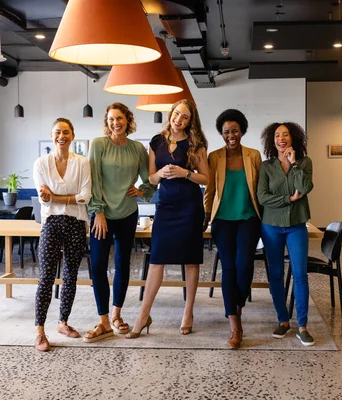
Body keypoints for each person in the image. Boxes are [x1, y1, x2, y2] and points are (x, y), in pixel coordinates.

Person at [126, 99, 209, 339]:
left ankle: (188, 312)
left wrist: (186, 173)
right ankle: (143, 315)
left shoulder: (196, 144)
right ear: (170, 114)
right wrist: (160, 174)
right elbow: (151, 179)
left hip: (190, 206)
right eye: (176, 114)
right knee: (157, 260)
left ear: (190, 121)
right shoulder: (156, 141)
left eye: (184, 116)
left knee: (191, 260)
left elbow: (206, 179)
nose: (178, 119)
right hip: (166, 206)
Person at [84, 102, 156, 342]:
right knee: (97, 265)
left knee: (123, 263)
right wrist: (99, 212)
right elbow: (93, 180)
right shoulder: (98, 145)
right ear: (107, 122)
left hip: (127, 213)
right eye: (112, 119)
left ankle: (116, 314)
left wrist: (142, 191)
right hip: (102, 215)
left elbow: (150, 179)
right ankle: (103, 320)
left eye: (120, 118)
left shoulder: (137, 149)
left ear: (128, 120)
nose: (116, 122)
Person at [203, 109, 262, 349]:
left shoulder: (253, 155)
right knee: (228, 268)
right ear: (221, 133)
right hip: (223, 220)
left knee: (244, 265)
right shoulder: (214, 157)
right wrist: (206, 216)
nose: (231, 135)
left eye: (235, 131)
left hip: (249, 218)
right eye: (226, 131)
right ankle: (234, 322)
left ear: (242, 131)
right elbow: (209, 189)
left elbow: (260, 188)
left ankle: (237, 305)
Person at [33, 117, 91, 352]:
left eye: (66, 132)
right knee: (46, 276)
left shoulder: (82, 163)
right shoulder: (41, 163)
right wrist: (67, 198)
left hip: (77, 223)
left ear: (72, 136)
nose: (62, 136)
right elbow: (42, 196)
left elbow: (85, 195)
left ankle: (63, 323)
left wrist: (55, 197)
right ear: (51, 135)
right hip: (51, 223)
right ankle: (39, 331)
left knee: (70, 275)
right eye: (58, 132)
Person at [257, 122, 315, 346]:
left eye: (286, 134)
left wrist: (293, 164)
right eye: (277, 135)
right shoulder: (266, 166)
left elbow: (306, 187)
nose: (281, 138)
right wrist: (288, 199)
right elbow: (262, 197)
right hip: (271, 225)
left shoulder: (304, 162)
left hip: (297, 225)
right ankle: (283, 320)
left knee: (300, 274)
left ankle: (302, 326)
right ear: (272, 140)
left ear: (293, 138)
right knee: (276, 274)